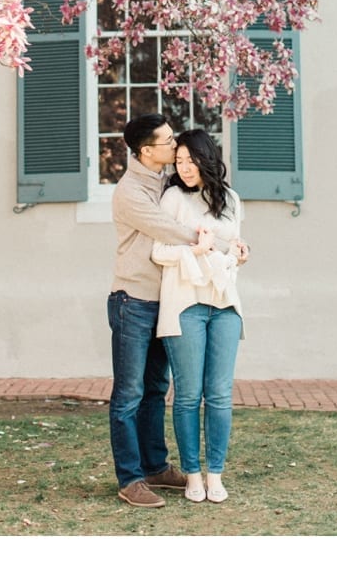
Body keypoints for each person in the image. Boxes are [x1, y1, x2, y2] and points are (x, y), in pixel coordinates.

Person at [107, 113, 206, 508]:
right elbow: (169, 228)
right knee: (128, 395)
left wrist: (231, 236)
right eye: (167, 141)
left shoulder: (166, 180)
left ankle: (155, 467)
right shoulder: (129, 192)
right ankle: (130, 478)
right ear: (146, 151)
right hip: (132, 302)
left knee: (154, 391)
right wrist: (209, 240)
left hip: (163, 301)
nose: (174, 144)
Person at [151, 129, 249, 504]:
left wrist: (239, 254)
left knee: (221, 396)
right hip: (185, 306)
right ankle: (192, 475)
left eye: (191, 160)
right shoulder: (173, 198)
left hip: (225, 305)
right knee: (189, 395)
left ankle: (215, 474)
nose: (185, 167)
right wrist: (193, 250)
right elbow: (159, 251)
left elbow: (230, 250)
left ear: (207, 158)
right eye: (179, 161)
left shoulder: (232, 200)